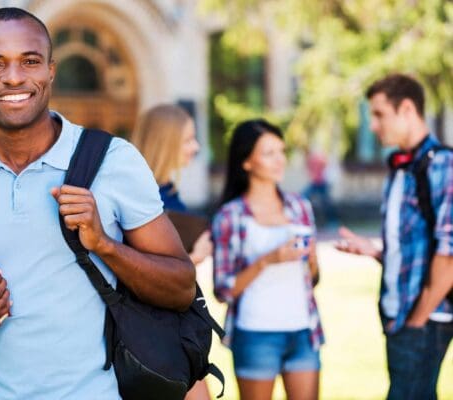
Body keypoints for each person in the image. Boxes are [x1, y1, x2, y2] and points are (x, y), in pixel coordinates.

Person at [0, 8, 195, 400]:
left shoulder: (114, 161)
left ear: (51, 70)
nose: (15, 77)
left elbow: (181, 287)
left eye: (30, 61)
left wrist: (105, 244)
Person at [336, 74, 453, 400]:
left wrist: (417, 320)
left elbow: (450, 254)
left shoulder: (443, 165)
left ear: (406, 109)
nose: (373, 125)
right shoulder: (399, 169)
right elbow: (415, 249)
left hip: (425, 319)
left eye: (379, 114)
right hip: (398, 314)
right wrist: (374, 251)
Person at [212, 119, 324, 400]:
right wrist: (268, 260)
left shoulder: (300, 207)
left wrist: (311, 260)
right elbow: (223, 290)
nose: (279, 161)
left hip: (303, 331)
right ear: (246, 162)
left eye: (281, 151)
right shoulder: (230, 216)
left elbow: (314, 279)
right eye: (268, 153)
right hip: (256, 334)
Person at [130, 104, 213, 400]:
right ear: (167, 141)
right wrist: (196, 257)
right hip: (154, 330)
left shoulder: (169, 191)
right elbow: (136, 273)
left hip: (179, 322)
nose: (196, 147)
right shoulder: (140, 198)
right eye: (188, 139)